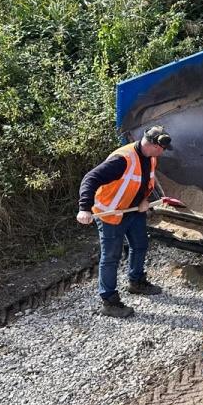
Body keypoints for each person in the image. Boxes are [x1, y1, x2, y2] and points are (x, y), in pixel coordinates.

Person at [76, 126, 172, 318]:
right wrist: (84, 208)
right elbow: (90, 178)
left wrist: (145, 200)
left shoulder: (151, 157)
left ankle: (136, 282)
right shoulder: (122, 160)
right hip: (110, 214)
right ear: (151, 144)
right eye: (160, 148)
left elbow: (145, 182)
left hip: (133, 211)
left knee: (140, 245)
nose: (163, 152)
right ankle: (109, 301)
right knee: (111, 257)